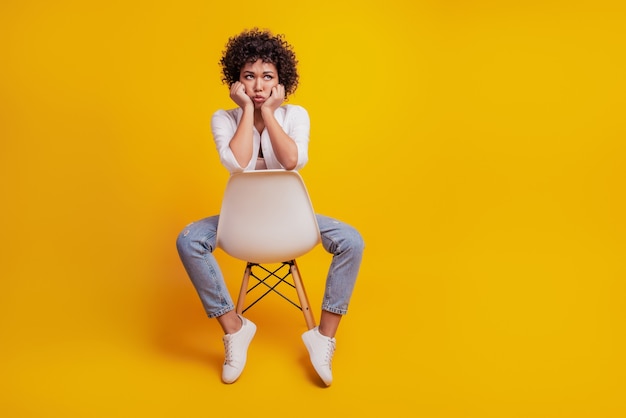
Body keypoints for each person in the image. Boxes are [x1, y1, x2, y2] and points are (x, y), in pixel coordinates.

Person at [176, 28, 364, 386]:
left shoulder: (296, 115)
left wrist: (272, 115)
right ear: (236, 82)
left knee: (351, 240)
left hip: (292, 222)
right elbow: (238, 165)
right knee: (188, 240)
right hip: (241, 223)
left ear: (281, 83)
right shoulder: (224, 118)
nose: (258, 86)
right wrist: (248, 110)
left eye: (267, 78)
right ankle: (234, 329)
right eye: (249, 77)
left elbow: (293, 161)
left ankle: (323, 337)